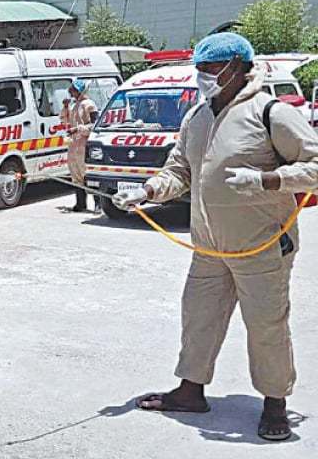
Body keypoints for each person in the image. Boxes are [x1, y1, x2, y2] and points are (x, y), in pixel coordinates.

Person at [113, 32, 318, 441]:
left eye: (210, 69)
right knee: (198, 318)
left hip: (261, 244)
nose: (202, 76)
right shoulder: (198, 117)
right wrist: (148, 191)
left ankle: (275, 402)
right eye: (200, 68)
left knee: (266, 326)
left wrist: (268, 179)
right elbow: (179, 171)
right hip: (208, 246)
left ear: (238, 68)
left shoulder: (271, 113)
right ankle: (190, 390)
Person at [61, 80, 98, 212]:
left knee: (87, 173)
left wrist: (78, 129)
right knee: (75, 174)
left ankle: (98, 203)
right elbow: (65, 122)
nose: (72, 93)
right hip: (73, 144)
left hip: (84, 144)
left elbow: (94, 125)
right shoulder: (73, 106)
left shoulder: (89, 105)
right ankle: (80, 203)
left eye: (74, 90)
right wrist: (65, 108)